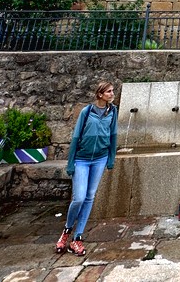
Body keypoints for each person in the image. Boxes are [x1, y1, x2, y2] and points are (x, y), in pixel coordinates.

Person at [55, 81, 118, 256]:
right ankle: (67, 230)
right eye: (109, 92)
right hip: (82, 159)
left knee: (89, 197)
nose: (112, 94)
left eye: (112, 91)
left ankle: (78, 238)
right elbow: (76, 137)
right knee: (79, 198)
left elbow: (113, 135)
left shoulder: (112, 111)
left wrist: (111, 158)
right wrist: (70, 162)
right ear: (100, 94)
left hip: (100, 158)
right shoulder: (87, 112)